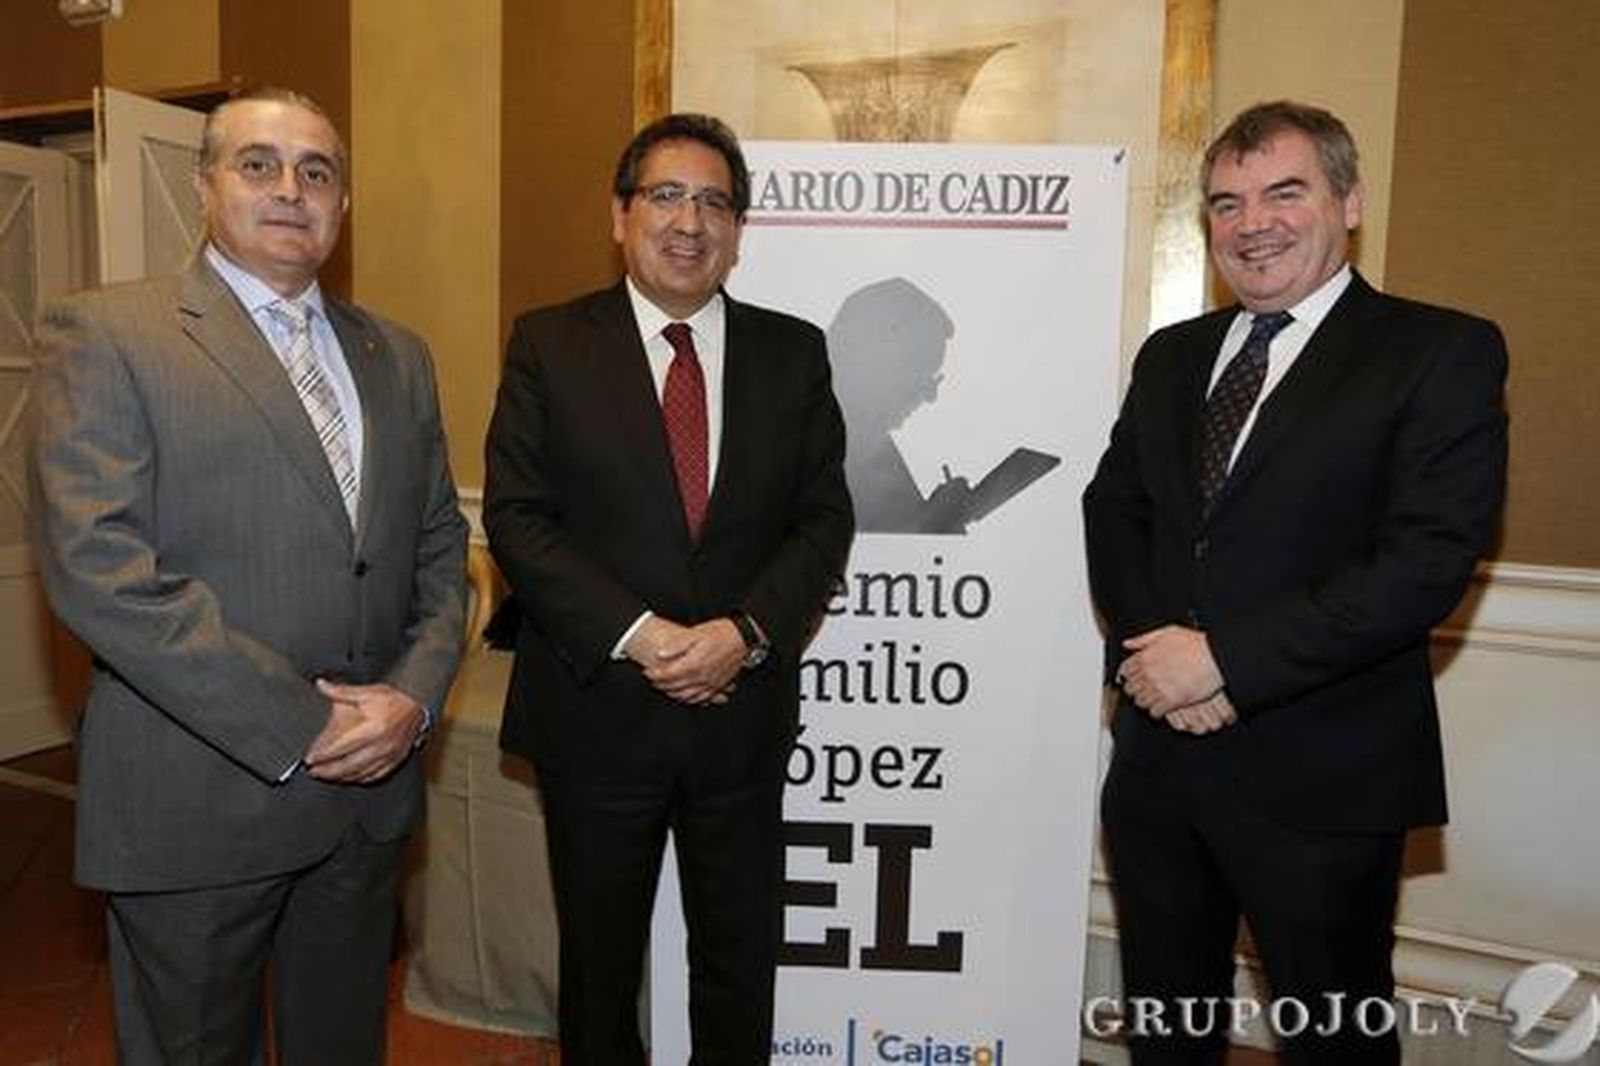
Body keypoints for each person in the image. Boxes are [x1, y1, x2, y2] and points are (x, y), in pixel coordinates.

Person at [31, 88, 468, 1064]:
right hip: (197, 798)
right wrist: (308, 722)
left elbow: (441, 548)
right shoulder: (109, 335)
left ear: (343, 205)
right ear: (204, 187)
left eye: (317, 172)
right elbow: (101, 571)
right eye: (257, 164)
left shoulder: (396, 354)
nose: (290, 190)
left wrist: (410, 698)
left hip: (365, 802)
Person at [1083, 100, 1507, 1064]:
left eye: (1285, 191)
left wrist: (1223, 663)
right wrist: (1162, 661)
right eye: (1226, 202)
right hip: (1160, 766)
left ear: (1349, 201)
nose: (1251, 222)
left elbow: (1426, 562)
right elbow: (1116, 511)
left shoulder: (1438, 350)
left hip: (1323, 775)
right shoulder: (1174, 356)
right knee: (1166, 1030)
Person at [484, 112, 853, 1063]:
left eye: (715, 202)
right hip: (597, 710)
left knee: (739, 960)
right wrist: (644, 636)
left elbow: (823, 519)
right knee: (600, 970)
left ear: (738, 228)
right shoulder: (549, 343)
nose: (691, 221)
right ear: (620, 214)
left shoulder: (794, 352)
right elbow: (519, 517)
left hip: (742, 714)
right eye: (666, 195)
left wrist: (746, 631)